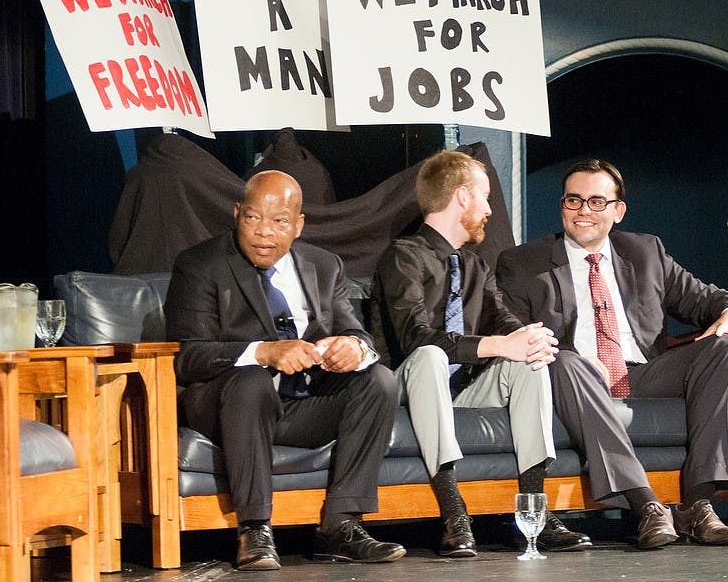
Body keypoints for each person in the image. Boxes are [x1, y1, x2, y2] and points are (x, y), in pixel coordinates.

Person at [496, 158, 728, 546]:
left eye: (597, 202)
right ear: (562, 206)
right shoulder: (523, 262)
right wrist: (580, 360)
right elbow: (511, 332)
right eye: (574, 200)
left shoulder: (645, 252)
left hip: (644, 374)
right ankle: (646, 505)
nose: (584, 211)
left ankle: (698, 505)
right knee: (565, 361)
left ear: (618, 211)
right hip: (574, 377)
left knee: (727, 345)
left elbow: (709, 300)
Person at [165, 170, 405, 570]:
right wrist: (264, 352)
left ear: (298, 225)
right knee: (252, 383)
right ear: (237, 213)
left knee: (378, 380)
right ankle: (254, 529)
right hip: (227, 403)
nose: (263, 232)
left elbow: (355, 331)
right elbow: (187, 356)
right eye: (253, 218)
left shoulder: (324, 266)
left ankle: (340, 526)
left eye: (278, 222)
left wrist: (352, 347)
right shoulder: (200, 265)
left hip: (298, 405)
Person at [371, 150, 591, 557]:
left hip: (460, 390)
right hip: (404, 387)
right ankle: (455, 515)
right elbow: (415, 339)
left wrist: (530, 339)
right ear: (462, 198)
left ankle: (533, 514)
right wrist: (495, 345)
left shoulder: (473, 266)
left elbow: (506, 322)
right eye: (485, 197)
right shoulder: (402, 257)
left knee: (528, 359)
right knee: (431, 356)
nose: (491, 209)